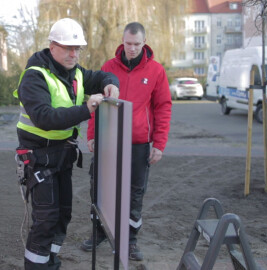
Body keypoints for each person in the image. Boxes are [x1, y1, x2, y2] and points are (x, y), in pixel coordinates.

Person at [14, 18, 120, 270]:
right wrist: (86, 109)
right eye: (68, 48)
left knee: (62, 216)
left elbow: (105, 75)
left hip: (63, 157)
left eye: (78, 48)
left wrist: (110, 84)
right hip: (39, 156)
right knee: (46, 219)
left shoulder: (76, 73)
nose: (74, 54)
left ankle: (51, 262)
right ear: (52, 46)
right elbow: (44, 118)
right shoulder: (34, 76)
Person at [79, 22, 172, 261]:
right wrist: (91, 135)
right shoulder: (109, 68)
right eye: (128, 43)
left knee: (135, 192)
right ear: (123, 41)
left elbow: (163, 107)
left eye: (136, 44)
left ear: (144, 43)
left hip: (139, 143)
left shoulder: (156, 71)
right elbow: (96, 102)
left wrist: (159, 144)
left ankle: (130, 239)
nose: (131, 49)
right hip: (108, 141)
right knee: (99, 186)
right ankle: (100, 231)